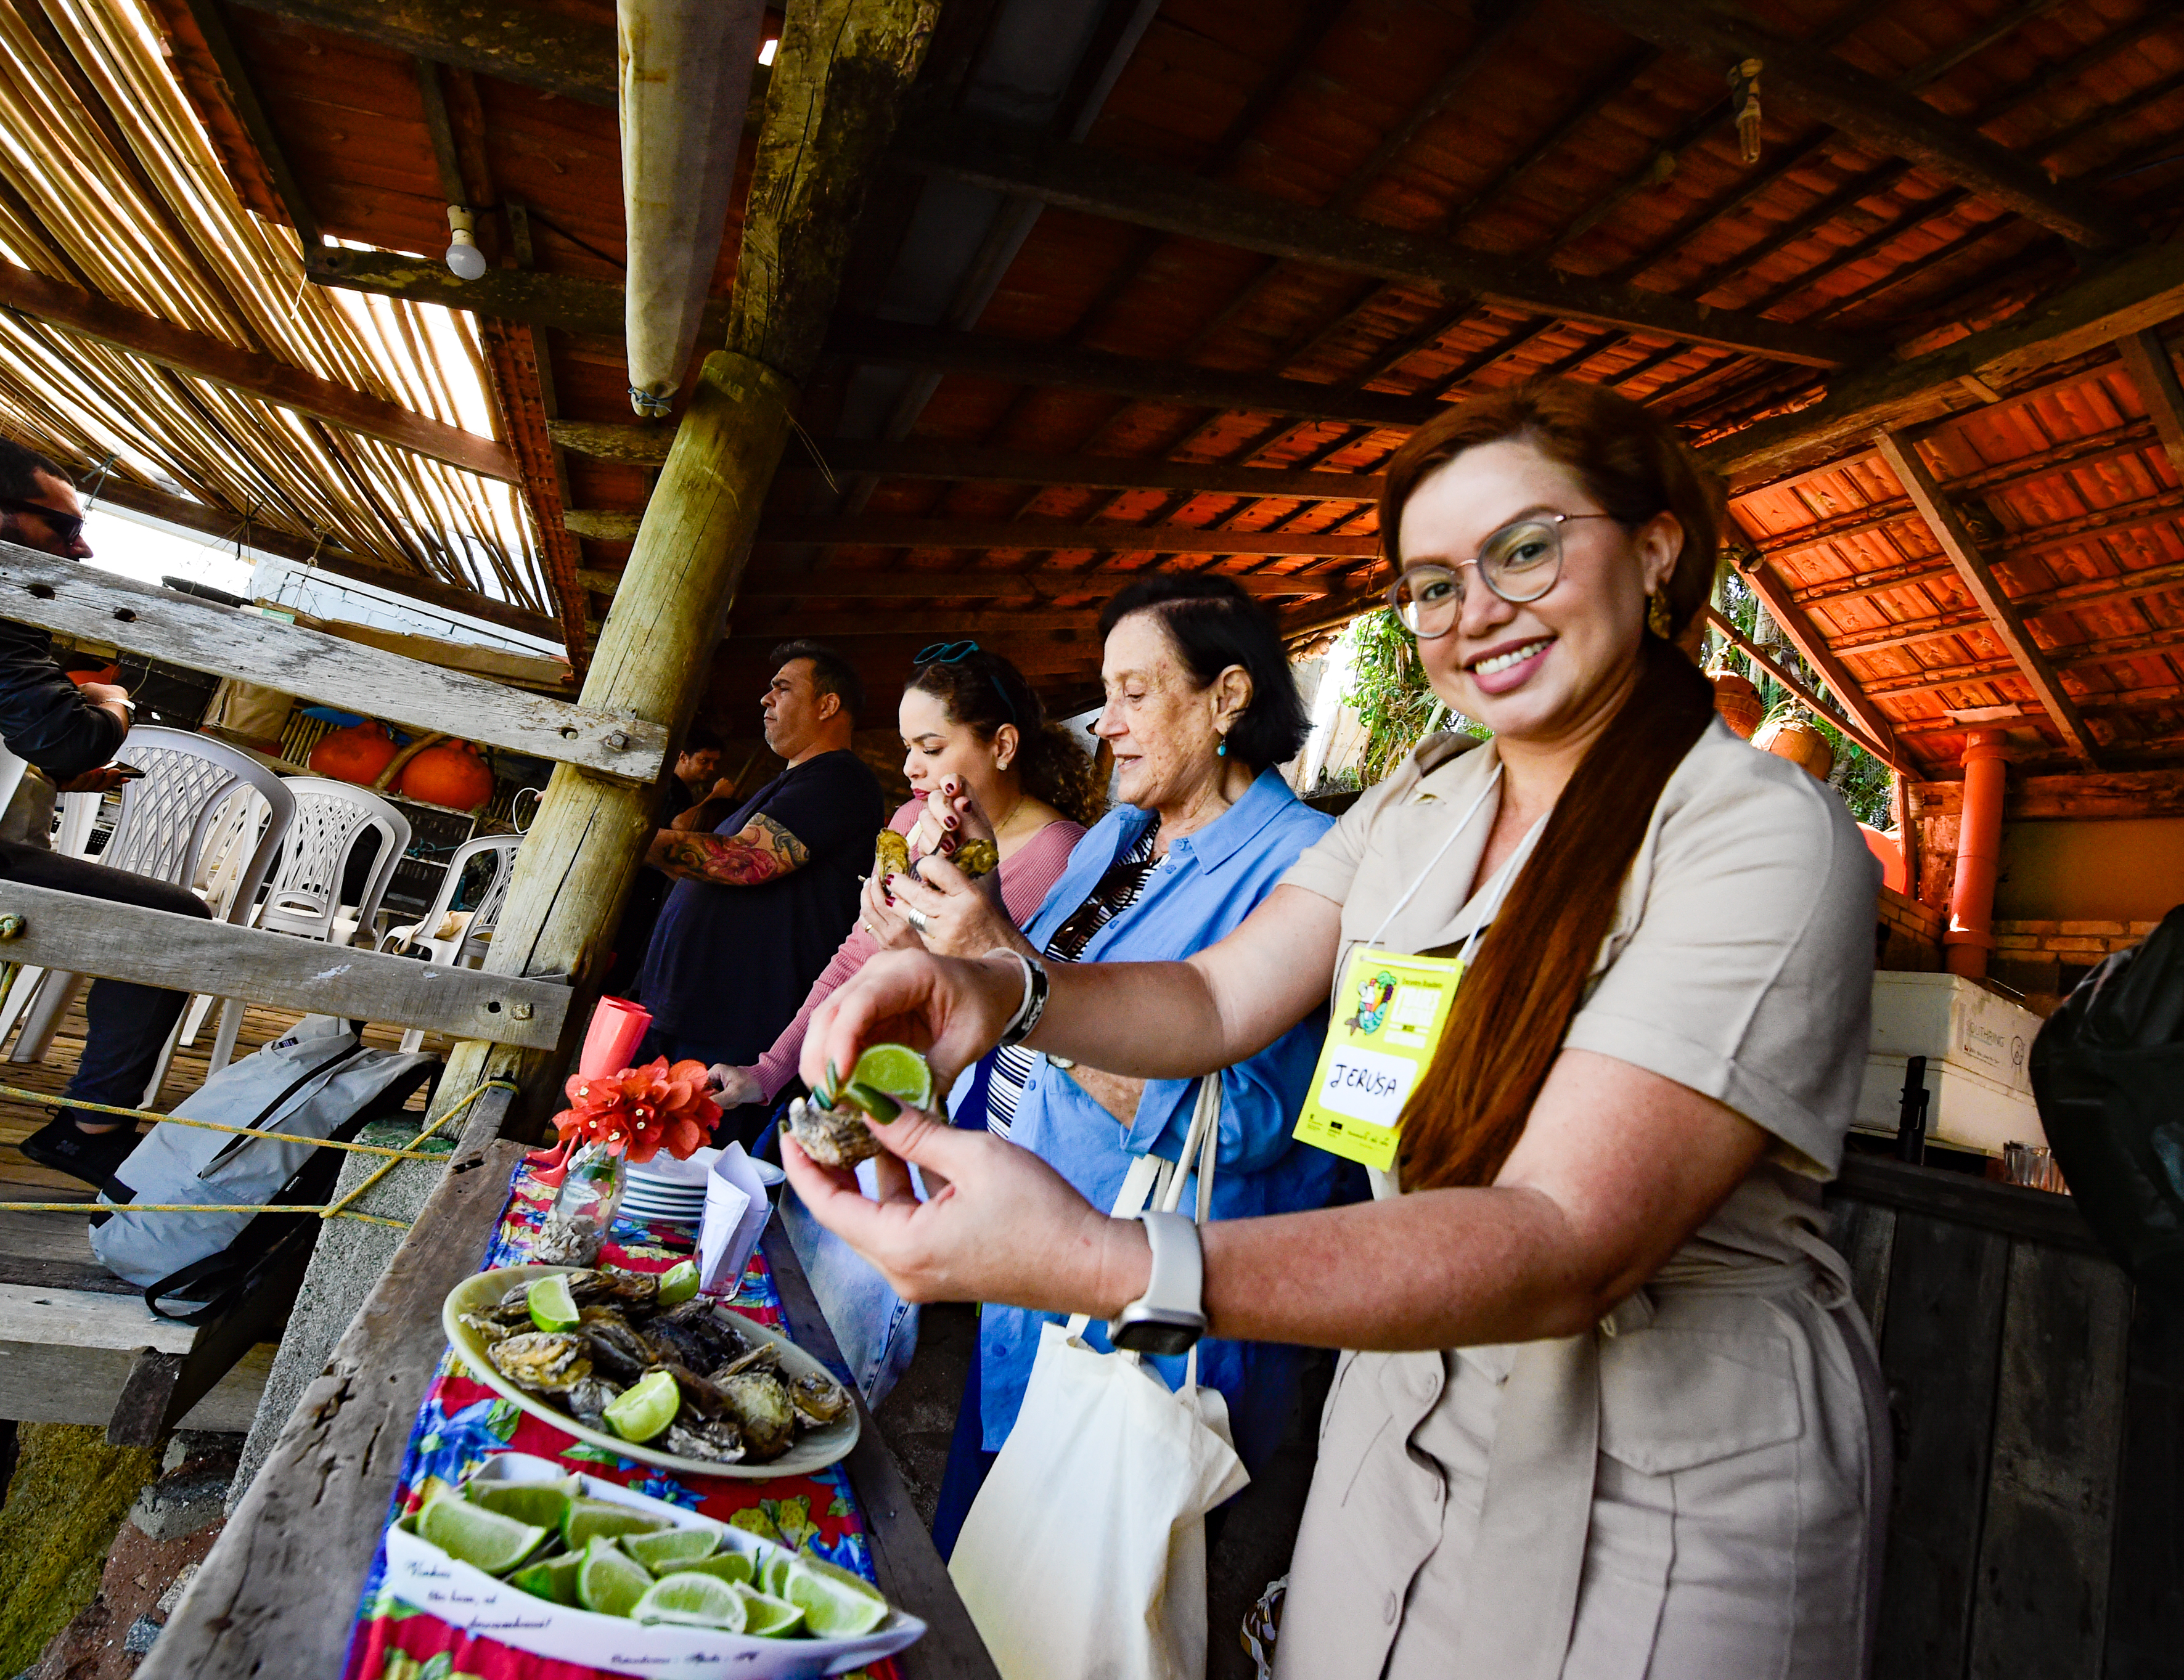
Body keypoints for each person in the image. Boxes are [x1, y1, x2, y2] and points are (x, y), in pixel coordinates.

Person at [787, 382, 1889, 1678]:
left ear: (1654, 550)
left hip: (1659, 1486)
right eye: (1432, 584)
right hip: (1403, 1423)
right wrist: (1004, 989)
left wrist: (1105, 1262)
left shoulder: (1758, 834)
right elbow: (1216, 999)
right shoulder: (1420, 805)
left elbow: (1563, 1240)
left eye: (1524, 549)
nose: (1474, 610)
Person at [869, 575, 1343, 1556]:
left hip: (1144, 1332)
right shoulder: (1120, 838)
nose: (1106, 723)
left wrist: (1004, 961)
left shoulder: (1307, 867)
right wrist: (953, 917)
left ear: (1228, 696)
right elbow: (1026, 996)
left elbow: (1252, 1128)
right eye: (1106, 692)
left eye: (1134, 692)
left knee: (1067, 1606)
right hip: (1028, 1277)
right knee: (975, 1569)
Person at [710, 643, 1097, 1401]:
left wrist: (915, 955)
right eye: (908, 746)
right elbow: (854, 959)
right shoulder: (913, 822)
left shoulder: (1061, 856)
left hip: (938, 1127)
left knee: (840, 1351)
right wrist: (768, 1069)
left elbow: (1018, 1017)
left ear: (1003, 744)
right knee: (770, 1307)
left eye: (931, 746)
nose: (913, 768)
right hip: (852, 1100)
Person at [0, 430, 210, 1180]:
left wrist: (46, 775)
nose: (83, 549)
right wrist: (111, 698)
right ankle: (90, 1127)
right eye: (63, 526)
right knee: (175, 918)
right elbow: (66, 737)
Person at [631, 640, 883, 1150]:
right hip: (687, 1014)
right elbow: (710, 871)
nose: (765, 699)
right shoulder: (791, 784)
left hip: (731, 1030)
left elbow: (745, 862)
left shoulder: (839, 779)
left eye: (782, 688)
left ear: (828, 705)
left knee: (685, 1181)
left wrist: (621, 834)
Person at [605, 722, 722, 993]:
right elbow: (680, 825)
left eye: (715, 763)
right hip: (640, 881)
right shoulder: (672, 788)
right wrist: (716, 797)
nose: (711, 769)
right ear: (683, 757)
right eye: (704, 761)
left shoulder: (683, 792)